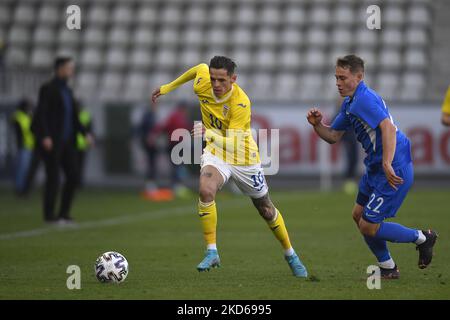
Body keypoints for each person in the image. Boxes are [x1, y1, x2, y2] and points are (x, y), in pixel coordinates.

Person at [151, 56, 308, 277]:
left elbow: (234, 142)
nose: (215, 85)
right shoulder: (203, 83)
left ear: (233, 79)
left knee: (265, 208)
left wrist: (209, 134)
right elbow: (198, 69)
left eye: (221, 80)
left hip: (243, 157)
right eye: (213, 79)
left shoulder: (240, 102)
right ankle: (211, 251)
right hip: (216, 153)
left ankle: (290, 254)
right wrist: (168, 87)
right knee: (206, 190)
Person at [306, 54, 437, 279]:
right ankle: (388, 267)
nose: (338, 83)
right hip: (375, 167)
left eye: (343, 78)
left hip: (393, 167)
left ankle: (423, 238)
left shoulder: (364, 99)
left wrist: (387, 162)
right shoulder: (350, 103)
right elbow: (333, 136)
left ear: (359, 77)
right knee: (358, 215)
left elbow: (387, 127)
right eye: (336, 77)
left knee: (368, 225)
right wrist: (318, 125)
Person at [31, 56, 87, 224]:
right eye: (69, 68)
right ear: (59, 69)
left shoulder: (68, 91)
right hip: (52, 141)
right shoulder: (48, 89)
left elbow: (74, 117)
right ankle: (49, 215)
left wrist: (85, 133)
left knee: (73, 176)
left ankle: (64, 213)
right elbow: (42, 114)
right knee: (53, 178)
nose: (71, 71)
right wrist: (45, 135)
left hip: (67, 141)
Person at [148, 101, 193, 198]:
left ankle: (177, 186)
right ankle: (176, 186)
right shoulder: (175, 117)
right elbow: (163, 127)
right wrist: (154, 135)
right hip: (175, 145)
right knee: (177, 166)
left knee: (178, 166)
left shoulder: (181, 117)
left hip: (179, 145)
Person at [11, 98, 35, 195]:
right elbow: (19, 130)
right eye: (27, 106)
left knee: (26, 169)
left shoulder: (28, 116)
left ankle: (24, 187)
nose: (29, 108)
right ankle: (19, 188)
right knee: (22, 168)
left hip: (30, 145)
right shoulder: (18, 116)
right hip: (23, 146)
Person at [75, 101, 95, 187]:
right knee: (78, 165)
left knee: (78, 165)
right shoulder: (85, 115)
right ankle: (77, 182)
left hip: (79, 144)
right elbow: (90, 129)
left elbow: (90, 129)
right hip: (80, 143)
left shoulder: (78, 115)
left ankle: (78, 182)